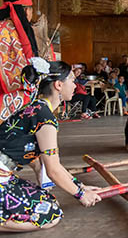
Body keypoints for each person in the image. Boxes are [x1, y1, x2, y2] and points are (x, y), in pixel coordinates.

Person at [0, 59, 101, 232]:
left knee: (47, 201)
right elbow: (53, 169)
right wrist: (81, 195)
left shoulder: (35, 108)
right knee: (50, 214)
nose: (75, 85)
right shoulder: (45, 119)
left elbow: (51, 164)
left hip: (4, 174)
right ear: (59, 85)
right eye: (71, 80)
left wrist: (80, 185)